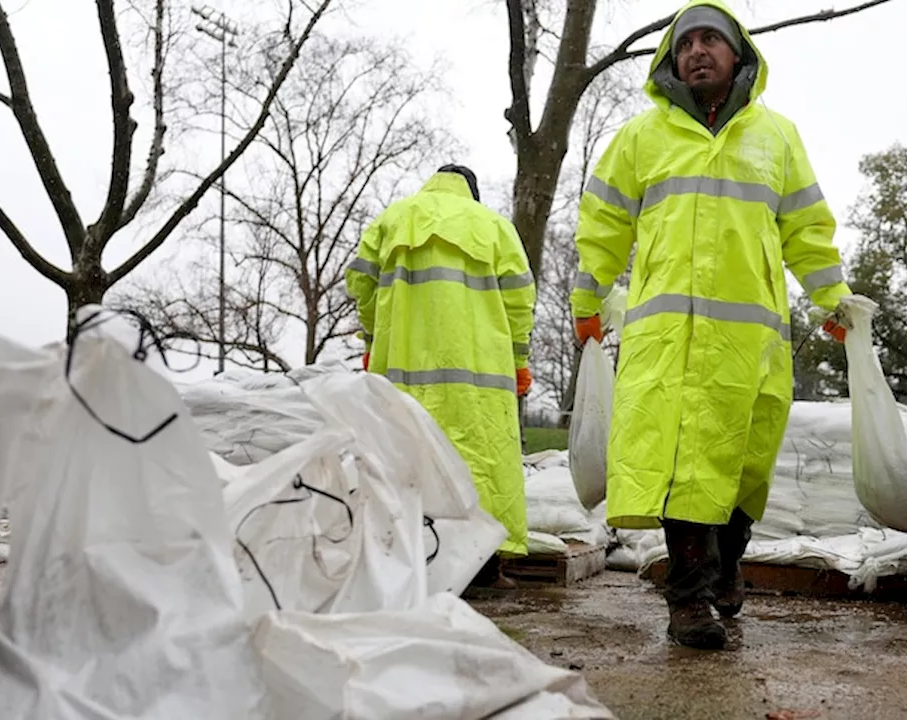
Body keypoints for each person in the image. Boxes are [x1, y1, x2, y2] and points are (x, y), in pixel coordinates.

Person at [570, 0, 857, 649]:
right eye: (686, 41)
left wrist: (832, 298)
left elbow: (807, 230)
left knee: (744, 466)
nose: (696, 50)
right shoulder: (641, 137)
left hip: (747, 340)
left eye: (710, 39)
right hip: (667, 339)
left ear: (737, 54)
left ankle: (729, 563)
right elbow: (603, 228)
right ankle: (689, 603)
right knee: (682, 468)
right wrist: (587, 303)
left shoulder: (775, 137)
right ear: (672, 59)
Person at [345, 164, 536, 590]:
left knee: (403, 460)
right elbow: (520, 300)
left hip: (403, 371)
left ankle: (407, 560)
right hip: (478, 376)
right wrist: (519, 359)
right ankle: (483, 567)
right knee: (481, 462)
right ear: (472, 191)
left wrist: (374, 340)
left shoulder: (392, 219)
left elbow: (361, 284)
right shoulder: (494, 227)